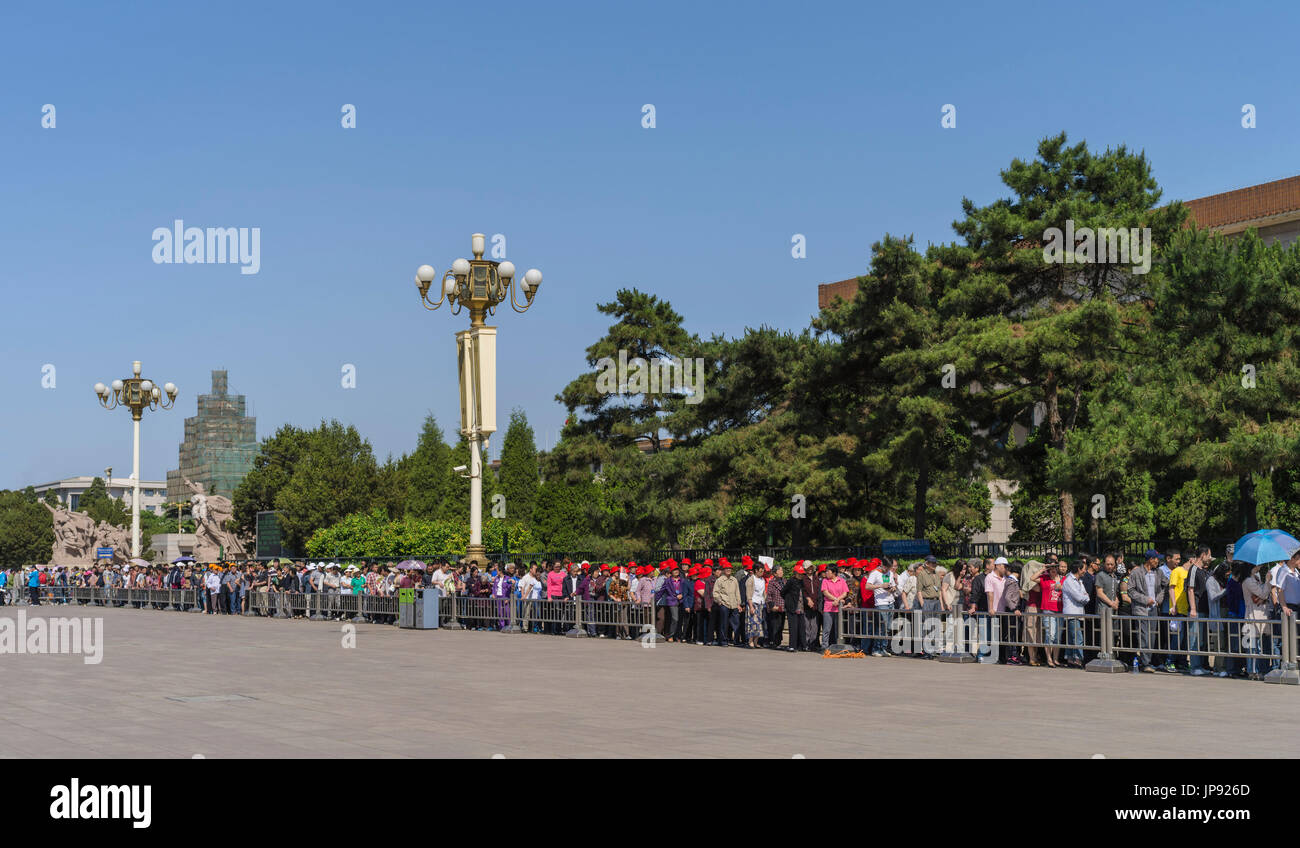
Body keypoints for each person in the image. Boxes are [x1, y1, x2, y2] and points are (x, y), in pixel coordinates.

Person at [1061, 561, 1089, 668]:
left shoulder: (1079, 581)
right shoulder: (1069, 581)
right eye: (1084, 569)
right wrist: (1085, 597)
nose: (1085, 571)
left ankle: (1071, 658)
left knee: (1072, 637)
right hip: (1072, 614)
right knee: (1077, 638)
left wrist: (1085, 596)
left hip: (1078, 613)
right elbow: (1080, 597)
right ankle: (1077, 659)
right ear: (1078, 569)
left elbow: (1086, 596)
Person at [712, 562, 742, 647]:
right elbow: (715, 593)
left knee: (736, 624)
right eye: (726, 568)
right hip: (724, 604)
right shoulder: (719, 580)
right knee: (724, 624)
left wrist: (739, 604)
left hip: (734, 604)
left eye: (730, 568)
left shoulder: (734, 579)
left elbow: (737, 592)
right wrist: (720, 602)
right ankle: (724, 641)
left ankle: (736, 641)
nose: (728, 570)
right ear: (723, 570)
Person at [819, 563, 847, 650]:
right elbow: (825, 592)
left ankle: (837, 646)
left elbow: (845, 592)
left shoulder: (841, 581)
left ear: (834, 572)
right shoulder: (825, 581)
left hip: (839, 608)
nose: (826, 573)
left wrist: (837, 600)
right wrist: (836, 599)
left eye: (828, 571)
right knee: (827, 628)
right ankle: (824, 646)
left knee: (838, 629)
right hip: (828, 607)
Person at [782, 563, 806, 652]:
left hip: (801, 607)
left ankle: (802, 645)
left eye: (802, 574)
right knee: (793, 627)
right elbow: (783, 592)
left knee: (801, 627)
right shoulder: (790, 581)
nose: (801, 575)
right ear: (795, 573)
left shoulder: (802, 582)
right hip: (792, 607)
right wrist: (789, 601)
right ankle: (792, 646)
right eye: (799, 573)